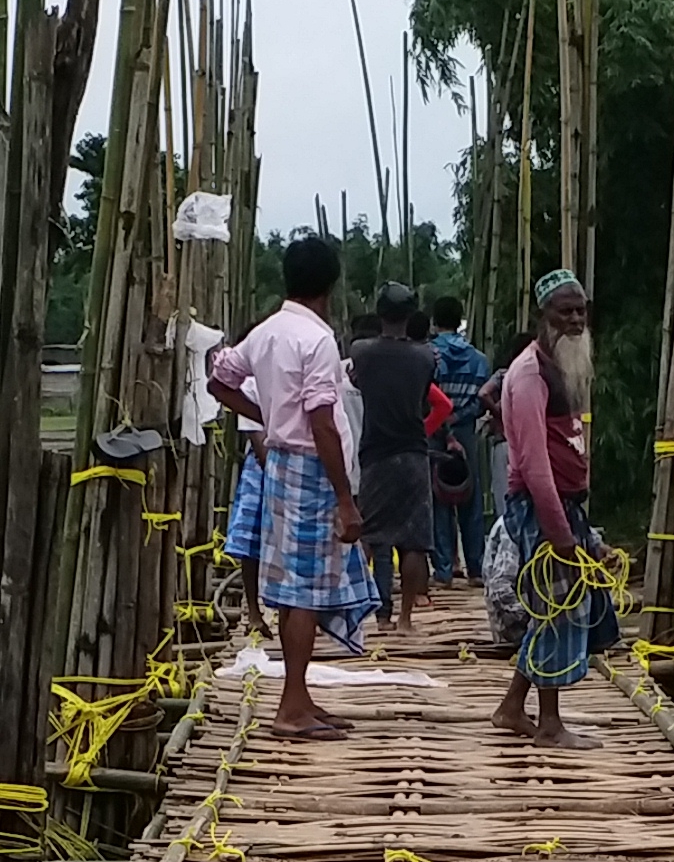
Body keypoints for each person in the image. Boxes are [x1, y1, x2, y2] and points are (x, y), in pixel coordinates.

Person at [210, 231, 376, 735]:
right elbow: (322, 420)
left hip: (280, 463)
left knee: (291, 589)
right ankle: (292, 707)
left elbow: (219, 379)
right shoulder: (317, 340)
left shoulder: (267, 331)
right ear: (329, 285)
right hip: (311, 468)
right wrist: (346, 499)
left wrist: (265, 414)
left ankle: (297, 695)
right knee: (301, 591)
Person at [489, 270, 600, 745]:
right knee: (556, 609)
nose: (575, 320)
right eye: (564, 311)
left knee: (556, 608)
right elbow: (535, 468)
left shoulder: (560, 367)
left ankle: (512, 707)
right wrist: (563, 539)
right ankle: (550, 725)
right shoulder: (531, 375)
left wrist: (585, 533)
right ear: (543, 316)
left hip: (562, 504)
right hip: (540, 506)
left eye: (580, 310)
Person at [347, 283, 442, 631]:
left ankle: (356, 612)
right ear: (410, 315)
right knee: (414, 540)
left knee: (370, 535)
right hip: (414, 452)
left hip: (375, 452)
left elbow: (356, 380)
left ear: (379, 312)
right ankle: (404, 619)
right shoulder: (425, 356)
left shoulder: (362, 351)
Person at [425, 294, 491, 586]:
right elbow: (483, 402)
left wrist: (443, 421)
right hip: (466, 429)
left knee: (437, 497)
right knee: (470, 497)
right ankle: (476, 568)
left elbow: (424, 398)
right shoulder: (479, 360)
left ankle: (443, 570)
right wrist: (460, 417)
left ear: (434, 322)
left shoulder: (428, 355)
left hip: (433, 428)